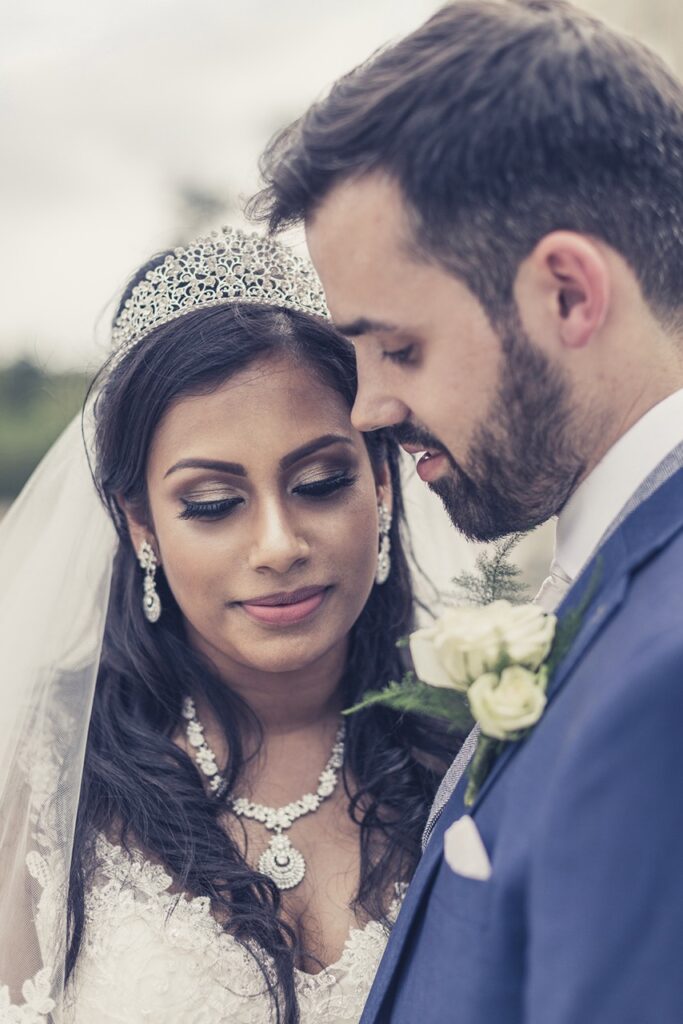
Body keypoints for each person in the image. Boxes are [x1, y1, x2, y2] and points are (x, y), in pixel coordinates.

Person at [252, 1, 683, 1021]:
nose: (368, 409)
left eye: (397, 347)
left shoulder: (662, 672)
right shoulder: (618, 583)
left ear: (568, 296)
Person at [0, 227, 458, 1023]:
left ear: (380, 483)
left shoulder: (472, 747)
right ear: (140, 526)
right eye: (212, 504)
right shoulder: (38, 773)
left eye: (319, 482)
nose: (278, 546)